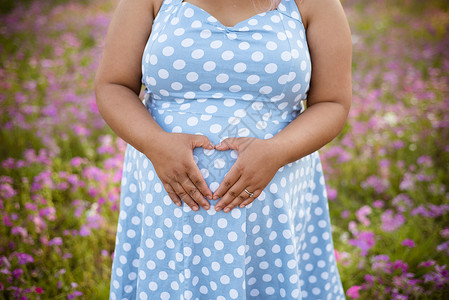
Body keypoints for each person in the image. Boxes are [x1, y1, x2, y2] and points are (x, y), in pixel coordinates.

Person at [94, 0, 351, 298]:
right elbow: (113, 85)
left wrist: (278, 151)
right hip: (168, 205)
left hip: (271, 207)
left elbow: (332, 102)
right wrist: (156, 143)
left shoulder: (312, 4)